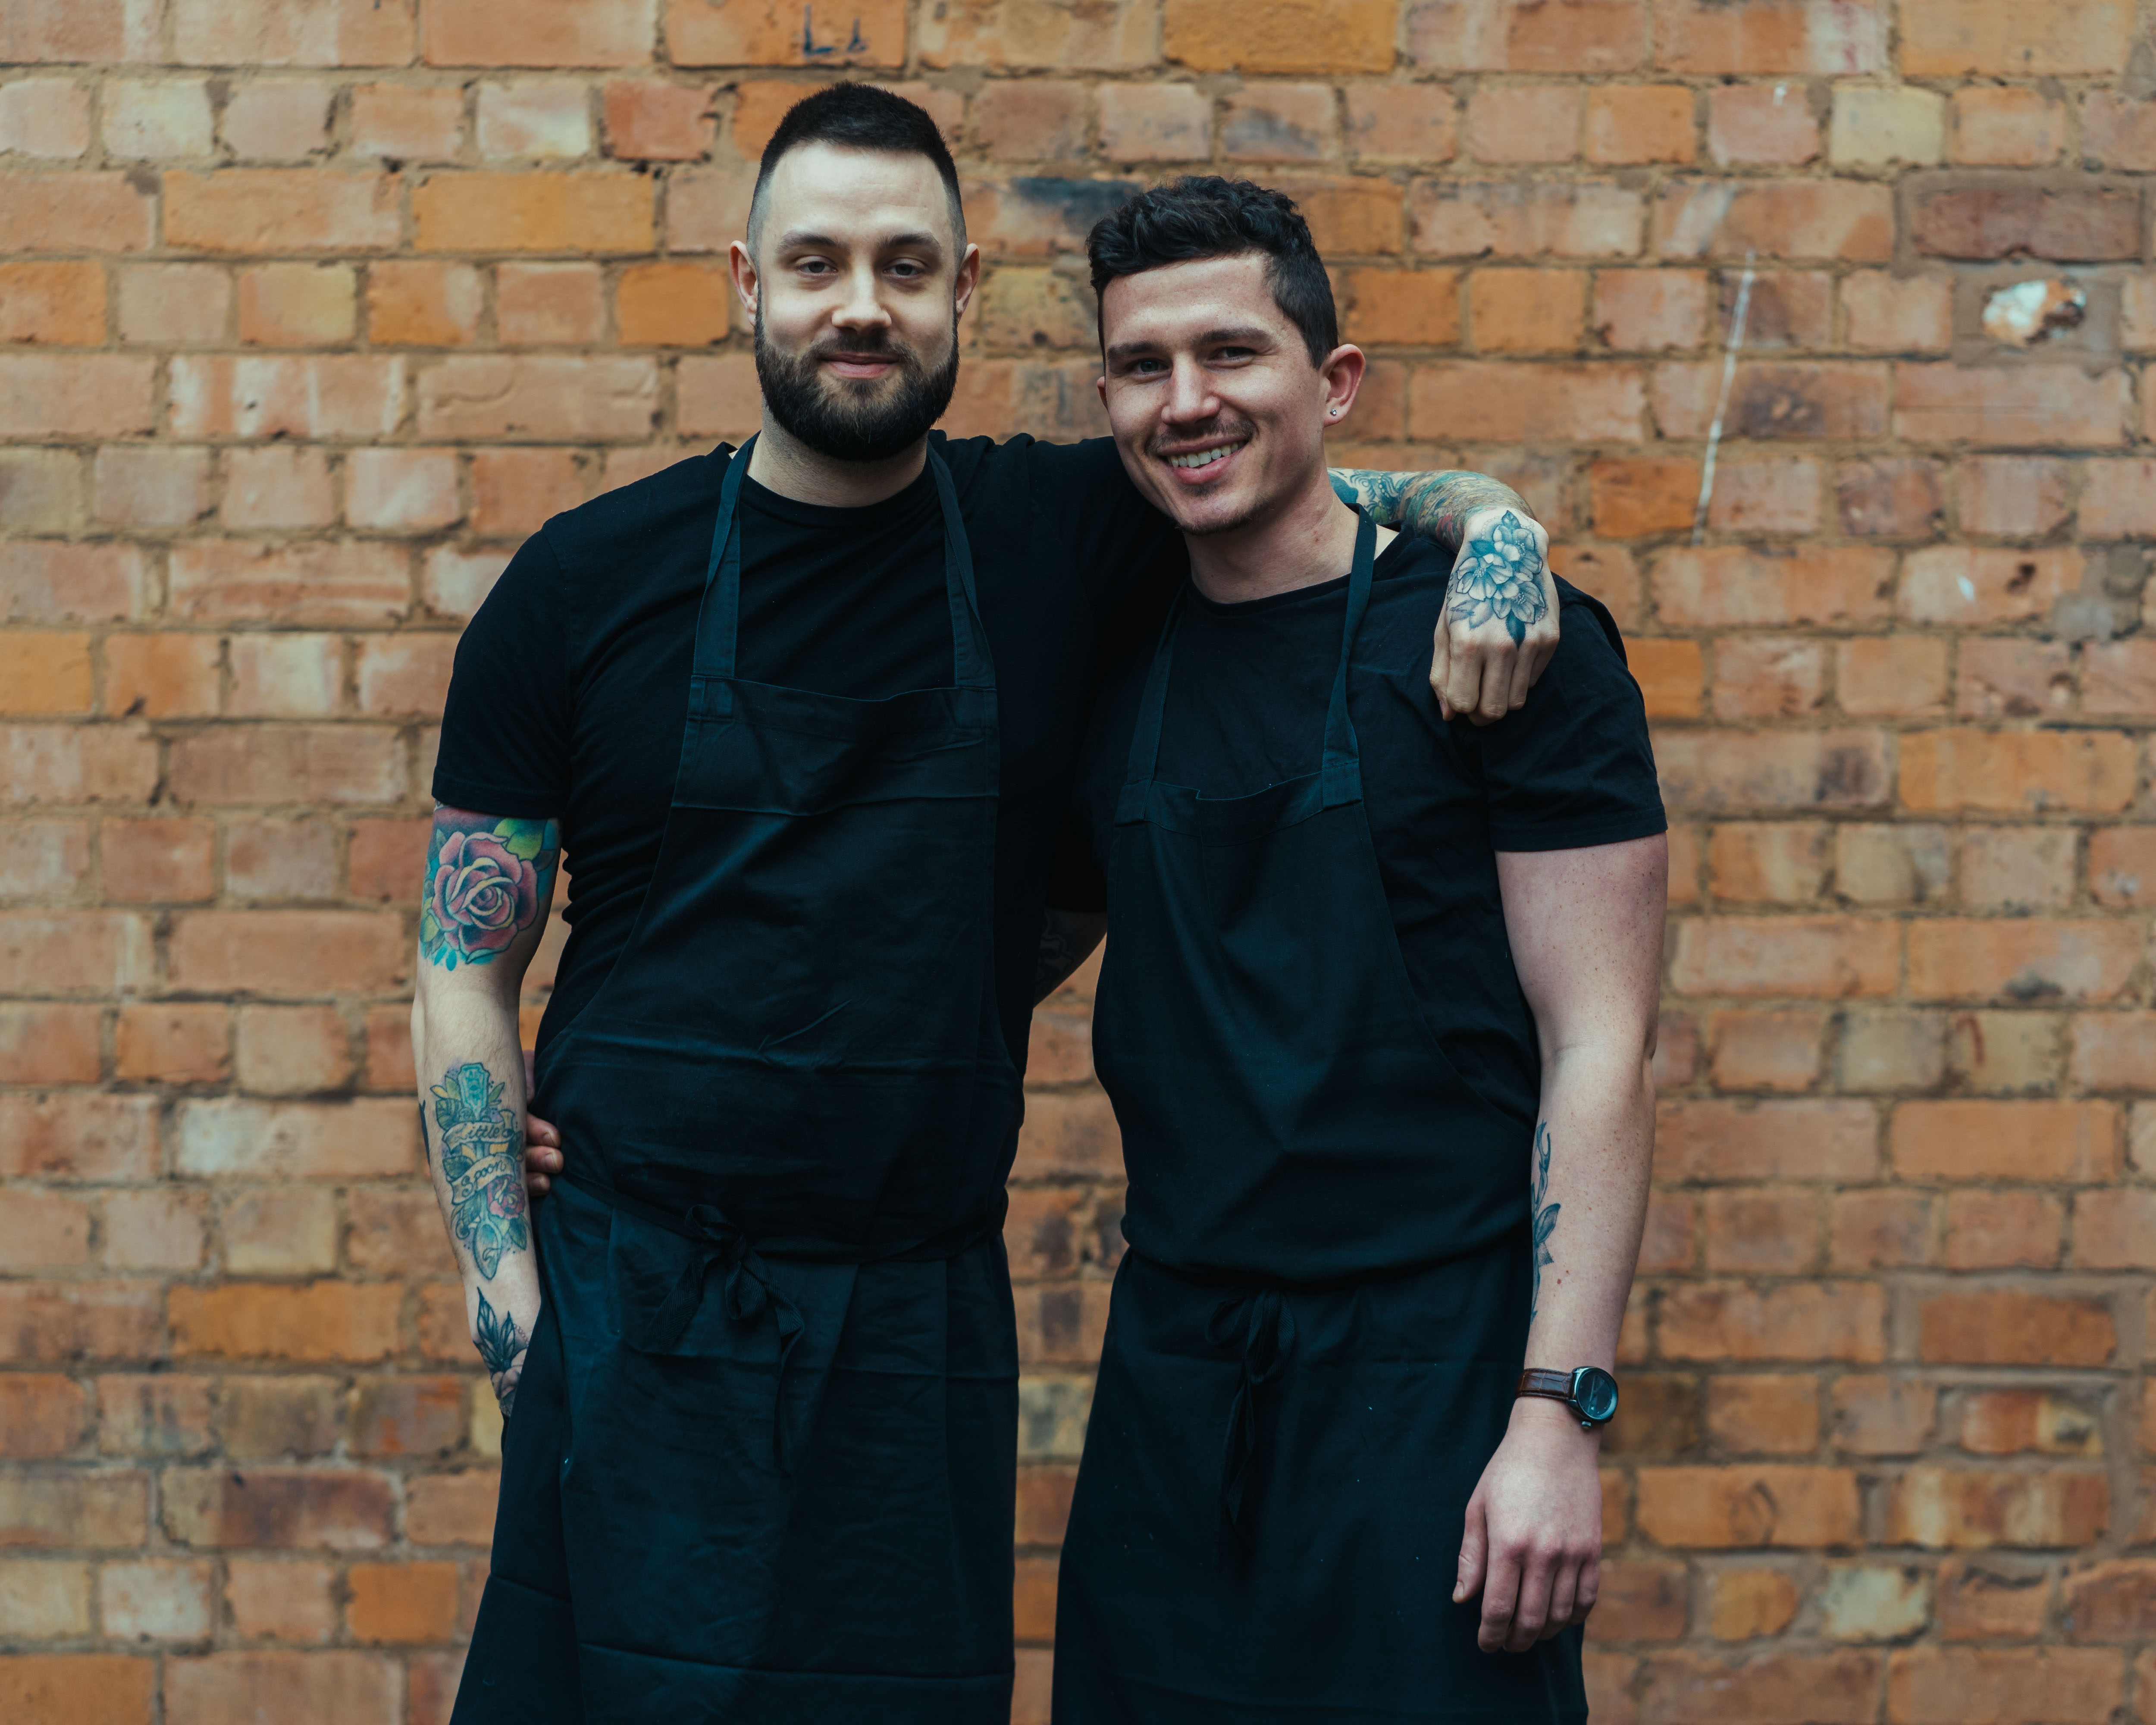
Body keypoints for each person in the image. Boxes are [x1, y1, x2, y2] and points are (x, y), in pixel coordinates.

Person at [417, 85, 1562, 1724]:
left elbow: (1305, 482)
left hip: (915, 1323)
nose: (859, 304)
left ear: (963, 292)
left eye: (904, 264)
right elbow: (463, 960)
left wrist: (1501, 528)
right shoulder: (586, 583)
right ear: (748, 285)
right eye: (816, 262)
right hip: (631, 1309)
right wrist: (514, 1308)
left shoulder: (1057, 535)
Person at [1044, 177, 1666, 1723]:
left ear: (1334, 382)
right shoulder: (1102, 646)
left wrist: (1557, 1414)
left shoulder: (1502, 640)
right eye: (1141, 366)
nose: (1186, 402)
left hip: (1436, 1381)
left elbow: (1600, 1044)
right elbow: (976, 959)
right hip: (1175, 1386)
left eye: (1231, 353)